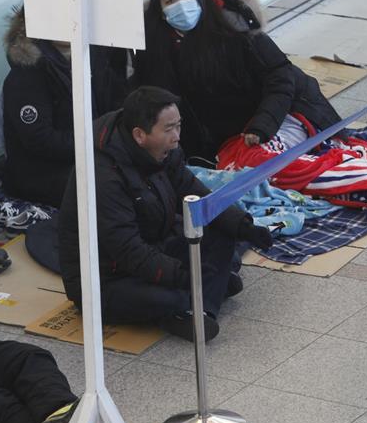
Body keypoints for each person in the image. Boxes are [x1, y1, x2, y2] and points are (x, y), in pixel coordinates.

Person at [57, 86, 273, 342]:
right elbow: (126, 249)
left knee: (221, 232)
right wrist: (178, 274)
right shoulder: (104, 177)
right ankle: (194, 299)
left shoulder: (163, 151)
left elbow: (194, 192)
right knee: (170, 294)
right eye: (169, 128)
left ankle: (201, 308)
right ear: (140, 135)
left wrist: (242, 225)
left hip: (156, 246)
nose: (177, 136)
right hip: (109, 278)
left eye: (179, 126)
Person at [133, 0, 341, 161]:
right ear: (161, 13)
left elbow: (281, 76)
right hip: (229, 138)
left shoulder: (237, 31)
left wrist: (262, 126)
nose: (181, 5)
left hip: (287, 115)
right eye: (170, 1)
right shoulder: (157, 50)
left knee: (259, 163)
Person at [1, 5, 128, 207]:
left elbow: (115, 101)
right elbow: (40, 140)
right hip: (44, 172)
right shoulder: (27, 73)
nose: (68, 22)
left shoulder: (92, 53)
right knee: (114, 189)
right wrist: (98, 143)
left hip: (93, 153)